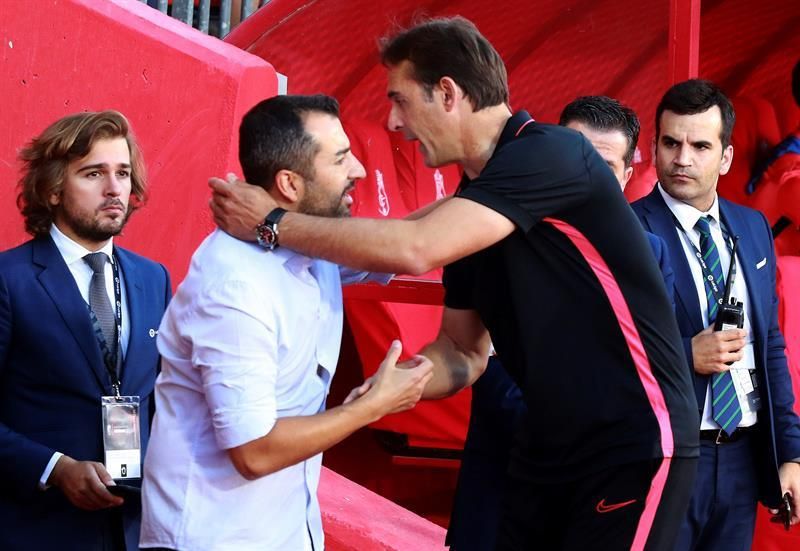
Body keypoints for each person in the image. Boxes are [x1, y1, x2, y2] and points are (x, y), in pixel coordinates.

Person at [209, 18, 699, 550]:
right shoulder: (479, 194)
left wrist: (272, 222)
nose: (394, 122)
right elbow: (465, 349)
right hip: (547, 443)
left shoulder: (551, 153)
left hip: (629, 441)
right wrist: (395, 387)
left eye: (400, 100)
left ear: (447, 93)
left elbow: (414, 248)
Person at [139, 95, 433, 551]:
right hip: (212, 539)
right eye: (341, 159)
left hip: (287, 532)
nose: (358, 170)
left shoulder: (314, 248)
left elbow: (411, 245)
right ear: (290, 185)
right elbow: (253, 451)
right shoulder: (235, 288)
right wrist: (372, 407)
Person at [447, 94, 679, 551]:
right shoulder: (492, 229)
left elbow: (647, 364)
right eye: (573, 156)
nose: (579, 175)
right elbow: (476, 355)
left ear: (628, 176)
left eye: (602, 164)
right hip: (508, 470)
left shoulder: (646, 253)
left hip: (597, 478)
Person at [631, 79, 800, 550]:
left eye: (700, 146)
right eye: (671, 143)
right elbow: (601, 350)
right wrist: (686, 355)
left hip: (744, 456)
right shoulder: (629, 230)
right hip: (669, 456)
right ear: (655, 147)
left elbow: (770, 347)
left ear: (725, 157)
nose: (682, 158)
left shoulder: (752, 227)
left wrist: (791, 454)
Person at [0, 111, 171, 550]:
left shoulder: (154, 279)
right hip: (36, 530)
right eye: (94, 173)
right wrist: (54, 469)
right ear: (53, 188)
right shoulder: (9, 279)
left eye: (123, 173)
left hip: (135, 531)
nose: (114, 188)